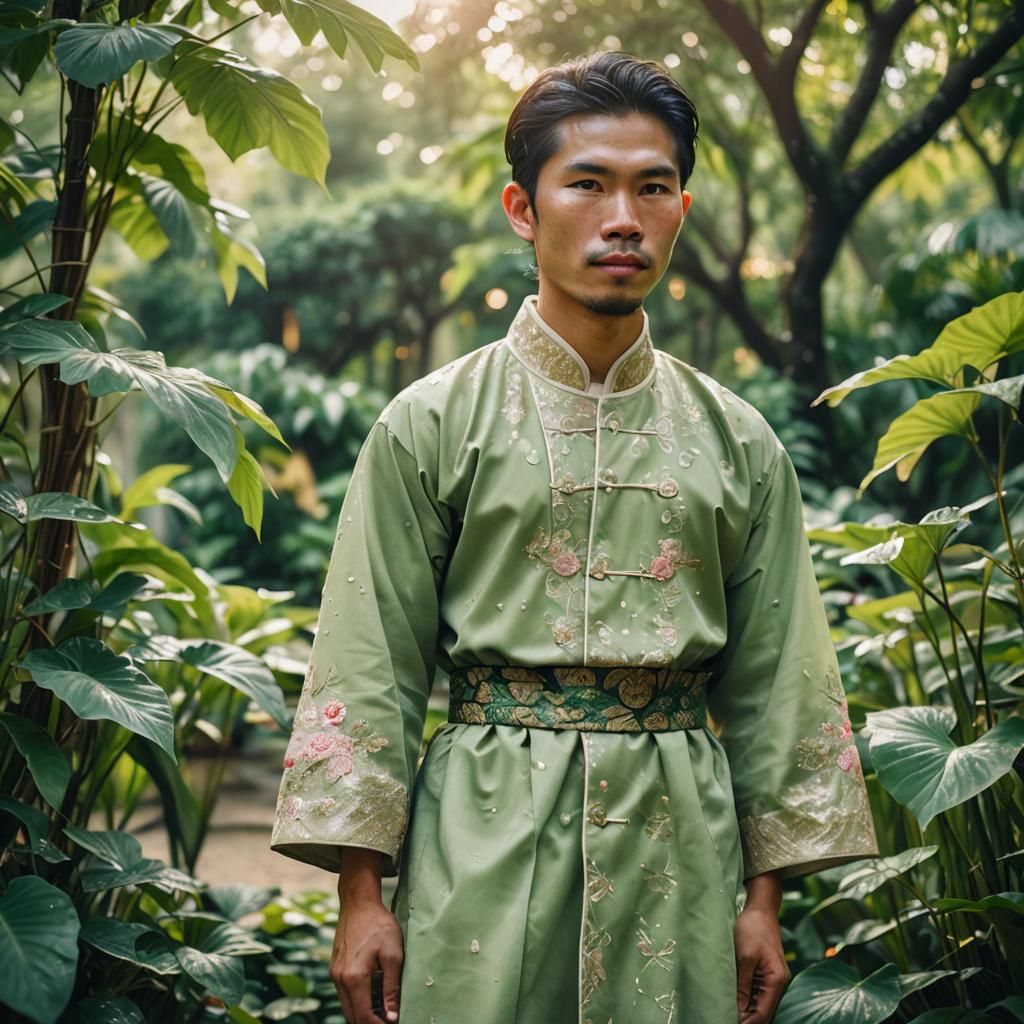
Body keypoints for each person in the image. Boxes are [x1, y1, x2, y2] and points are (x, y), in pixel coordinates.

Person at [270, 50, 879, 1024]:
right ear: (524, 207)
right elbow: (368, 658)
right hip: (480, 831)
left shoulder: (738, 441)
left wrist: (764, 901)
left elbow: (781, 676)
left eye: (653, 187)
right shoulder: (429, 423)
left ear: (680, 208)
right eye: (587, 184)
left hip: (679, 841)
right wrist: (360, 897)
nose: (622, 217)